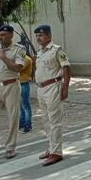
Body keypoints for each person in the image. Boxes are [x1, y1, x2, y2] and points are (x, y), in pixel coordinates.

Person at [34, 24, 71, 166]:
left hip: (53, 87)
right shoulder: (40, 52)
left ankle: (57, 152)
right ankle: (51, 148)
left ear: (49, 36)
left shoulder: (57, 50)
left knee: (54, 120)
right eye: (37, 35)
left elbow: (66, 68)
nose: (38, 38)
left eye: (41, 35)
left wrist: (65, 88)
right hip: (41, 89)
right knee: (45, 120)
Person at [0, 25, 26, 159]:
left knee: (13, 117)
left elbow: (18, 68)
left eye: (4, 35)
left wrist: (3, 57)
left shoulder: (19, 49)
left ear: (11, 35)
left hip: (11, 86)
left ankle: (10, 148)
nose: (0, 37)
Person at [19, 53, 34, 133]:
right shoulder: (19, 58)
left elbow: (18, 68)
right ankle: (22, 123)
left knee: (25, 105)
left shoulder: (26, 59)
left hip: (24, 83)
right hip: (18, 83)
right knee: (20, 105)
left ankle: (28, 125)